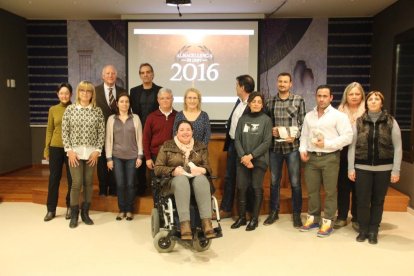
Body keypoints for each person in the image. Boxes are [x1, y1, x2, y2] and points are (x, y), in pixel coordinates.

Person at [348, 91, 402, 244]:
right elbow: (352, 147)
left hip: (384, 169)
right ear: (366, 103)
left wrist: (396, 170)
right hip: (362, 168)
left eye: (376, 99)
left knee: (378, 201)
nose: (372, 101)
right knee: (362, 201)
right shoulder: (358, 122)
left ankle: (373, 230)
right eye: (370, 99)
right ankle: (363, 230)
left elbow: (398, 147)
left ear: (381, 103)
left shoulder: (391, 122)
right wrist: (351, 168)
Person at [299, 85, 353, 237]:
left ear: (331, 98)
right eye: (319, 96)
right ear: (316, 97)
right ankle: (313, 219)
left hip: (330, 157)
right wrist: (302, 150)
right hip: (311, 158)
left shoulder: (338, 116)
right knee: (312, 191)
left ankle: (327, 221)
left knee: (330, 192)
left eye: (325, 96)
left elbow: (348, 137)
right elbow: (304, 135)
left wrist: (327, 144)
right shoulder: (309, 116)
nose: (321, 99)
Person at [154, 120, 215, 240]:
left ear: (192, 132)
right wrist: (173, 171)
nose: (185, 132)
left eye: (188, 129)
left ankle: (206, 223)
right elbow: (157, 168)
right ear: (176, 132)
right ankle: (184, 224)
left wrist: (202, 170)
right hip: (174, 182)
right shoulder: (167, 146)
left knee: (201, 179)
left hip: (195, 181)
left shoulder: (201, 146)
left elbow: (208, 167)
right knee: (181, 180)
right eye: (182, 130)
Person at [264, 73, 306, 228]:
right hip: (274, 148)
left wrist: (296, 135)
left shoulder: (298, 100)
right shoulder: (269, 101)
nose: (282, 84)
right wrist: (271, 131)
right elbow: (266, 124)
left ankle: (296, 214)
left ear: (291, 84)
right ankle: (273, 213)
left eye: (285, 82)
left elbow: (303, 122)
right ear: (277, 83)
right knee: (274, 182)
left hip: (292, 148)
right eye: (280, 81)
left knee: (295, 183)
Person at [62, 81, 105, 228]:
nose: (85, 94)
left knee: (88, 183)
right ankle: (74, 214)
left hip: (91, 154)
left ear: (92, 94)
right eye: (82, 91)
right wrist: (69, 151)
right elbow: (65, 132)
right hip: (75, 153)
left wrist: (97, 151)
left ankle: (85, 213)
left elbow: (101, 133)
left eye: (88, 91)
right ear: (78, 93)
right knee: (77, 183)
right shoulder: (70, 110)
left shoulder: (97, 111)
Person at [231, 92, 272, 231]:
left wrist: (251, 156)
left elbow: (267, 142)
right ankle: (242, 218)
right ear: (249, 104)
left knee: (256, 188)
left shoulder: (266, 120)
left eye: (259, 102)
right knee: (241, 188)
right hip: (242, 160)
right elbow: (237, 139)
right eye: (253, 101)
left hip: (259, 160)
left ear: (262, 105)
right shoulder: (243, 119)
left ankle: (254, 219)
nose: (256, 104)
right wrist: (244, 156)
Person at [219, 74, 255, 219]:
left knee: (246, 179)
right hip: (233, 144)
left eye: (237, 85)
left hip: (246, 148)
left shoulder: (255, 103)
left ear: (243, 87)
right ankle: (226, 209)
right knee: (229, 177)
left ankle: (247, 210)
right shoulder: (238, 101)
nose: (235, 88)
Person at [106, 93, 143, 221]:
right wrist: (109, 158)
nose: (124, 104)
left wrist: (140, 156)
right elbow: (109, 140)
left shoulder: (135, 118)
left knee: (131, 184)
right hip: (116, 157)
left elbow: (140, 138)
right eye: (121, 101)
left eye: (127, 101)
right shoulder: (111, 119)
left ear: (129, 103)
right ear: (117, 103)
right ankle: (121, 210)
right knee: (120, 184)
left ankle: (129, 210)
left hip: (133, 156)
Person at [334, 82, 366, 230]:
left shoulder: (367, 112)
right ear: (346, 96)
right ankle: (341, 216)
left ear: (362, 96)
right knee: (343, 186)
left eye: (357, 94)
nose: (354, 97)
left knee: (358, 187)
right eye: (351, 94)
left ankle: (357, 217)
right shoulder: (338, 112)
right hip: (343, 152)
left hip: (361, 154)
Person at [130, 63, 162, 195]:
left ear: (153, 74)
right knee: (139, 159)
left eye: (148, 72)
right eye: (142, 73)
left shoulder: (160, 90)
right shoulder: (134, 91)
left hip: (155, 132)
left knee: (154, 160)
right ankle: (141, 189)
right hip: (138, 131)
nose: (145, 75)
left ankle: (157, 190)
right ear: (140, 75)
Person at [43, 83, 73, 222]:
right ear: (58, 94)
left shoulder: (75, 109)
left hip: (71, 149)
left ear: (71, 94)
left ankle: (70, 207)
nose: (64, 95)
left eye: (66, 93)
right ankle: (51, 209)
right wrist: (46, 148)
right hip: (55, 147)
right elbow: (49, 129)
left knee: (72, 179)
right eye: (61, 93)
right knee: (54, 178)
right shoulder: (53, 109)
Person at [95, 65, 127, 196]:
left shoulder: (122, 91)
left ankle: (114, 189)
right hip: (100, 133)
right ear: (103, 76)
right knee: (102, 163)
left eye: (113, 73)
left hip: (118, 133)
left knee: (115, 161)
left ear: (116, 75)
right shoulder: (95, 91)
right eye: (107, 73)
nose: (110, 76)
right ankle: (103, 189)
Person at [143, 88, 177, 178]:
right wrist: (148, 158)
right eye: (162, 98)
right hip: (155, 155)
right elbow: (146, 139)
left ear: (172, 99)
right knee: (157, 184)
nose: (165, 101)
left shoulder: (178, 116)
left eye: (167, 98)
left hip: (174, 155)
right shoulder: (151, 117)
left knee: (172, 183)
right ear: (158, 100)